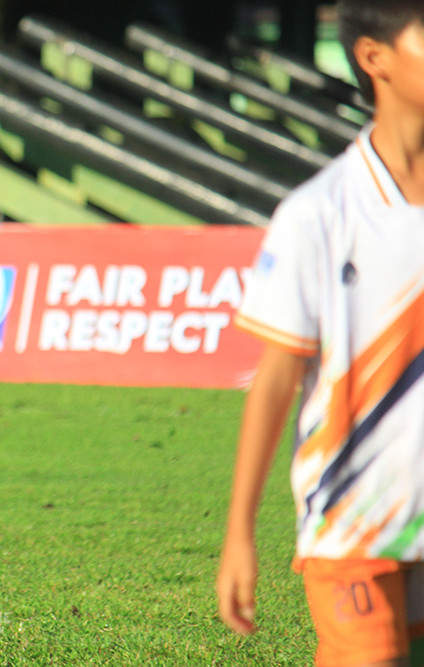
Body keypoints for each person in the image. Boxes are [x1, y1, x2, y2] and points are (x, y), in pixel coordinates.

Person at [216, 1, 424, 665]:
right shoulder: (319, 213)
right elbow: (277, 376)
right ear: (374, 58)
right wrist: (239, 531)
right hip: (352, 522)